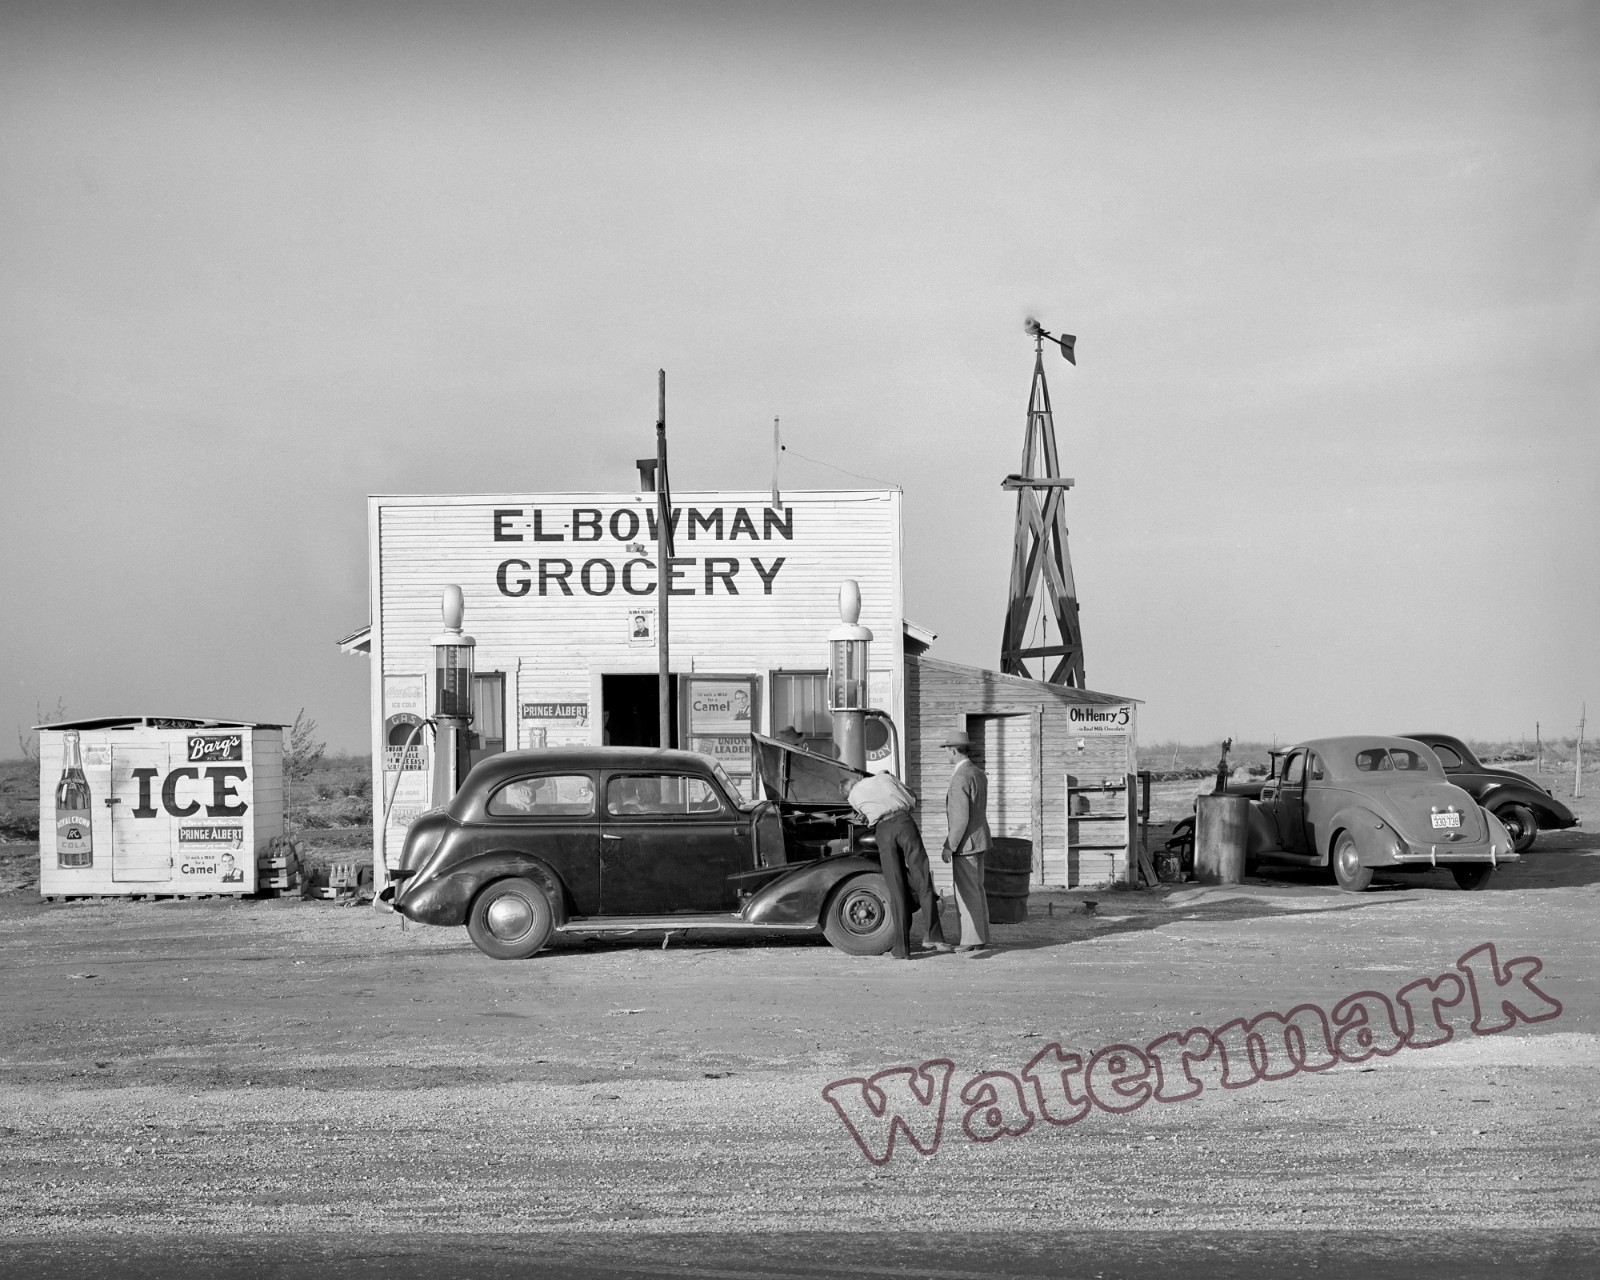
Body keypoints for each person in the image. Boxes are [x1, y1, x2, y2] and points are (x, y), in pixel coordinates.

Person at [846, 770, 951, 959]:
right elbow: (912, 799)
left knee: (897, 889)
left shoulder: (852, 797)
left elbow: (862, 816)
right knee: (922, 880)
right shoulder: (884, 777)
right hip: (904, 823)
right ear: (859, 778)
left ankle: (902, 950)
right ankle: (934, 936)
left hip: (883, 831)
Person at [940, 729, 993, 954]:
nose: (946, 754)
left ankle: (970, 939)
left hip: (965, 844)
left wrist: (949, 846)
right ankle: (979, 937)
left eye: (946, 750)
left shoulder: (960, 777)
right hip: (979, 839)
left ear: (953, 751)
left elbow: (960, 819)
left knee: (966, 893)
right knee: (977, 890)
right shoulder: (978, 773)